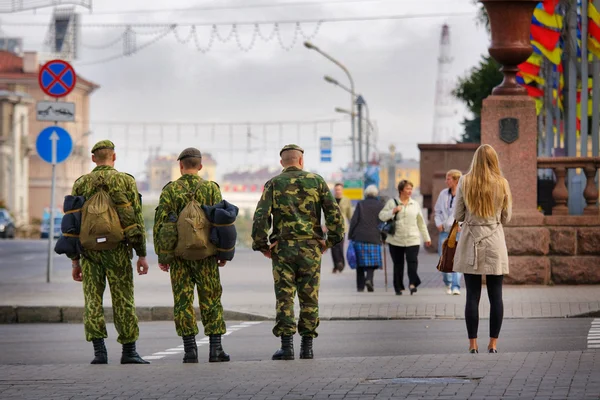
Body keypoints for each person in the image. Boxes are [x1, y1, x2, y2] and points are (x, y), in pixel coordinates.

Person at [251, 144, 344, 360]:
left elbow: (260, 217)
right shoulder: (317, 181)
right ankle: (307, 347)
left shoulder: (273, 183)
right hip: (311, 248)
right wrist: (328, 242)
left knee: (285, 297)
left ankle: (287, 347)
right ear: (301, 161)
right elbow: (335, 216)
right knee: (309, 297)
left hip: (283, 249)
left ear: (282, 162)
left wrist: (263, 246)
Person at [70, 140, 149, 365]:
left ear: (93, 159)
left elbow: (72, 224)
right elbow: (135, 218)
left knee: (92, 299)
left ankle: (99, 353)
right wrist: (141, 254)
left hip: (89, 252)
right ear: (114, 157)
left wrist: (75, 261)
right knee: (123, 298)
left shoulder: (81, 183)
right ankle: (129, 351)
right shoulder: (125, 181)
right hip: (118, 250)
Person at [153, 147, 230, 363]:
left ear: (180, 166)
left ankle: (189, 351)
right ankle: (216, 350)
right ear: (201, 167)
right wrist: (222, 253)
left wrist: (163, 256)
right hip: (207, 256)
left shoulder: (170, 190)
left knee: (182, 301)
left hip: (179, 256)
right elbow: (220, 223)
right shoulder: (210, 189)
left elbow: (161, 225)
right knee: (212, 299)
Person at [453, 144, 512, 354]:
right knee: (496, 296)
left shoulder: (465, 181)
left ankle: (473, 344)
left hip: (471, 240)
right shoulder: (502, 183)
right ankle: (493, 344)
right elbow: (506, 217)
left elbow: (458, 215)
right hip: (494, 239)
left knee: (472, 296)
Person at [378, 180, 431, 295]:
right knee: (398, 264)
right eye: (407, 189)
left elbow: (421, 223)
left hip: (413, 238)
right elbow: (381, 216)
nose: (410, 191)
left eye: (411, 189)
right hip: (396, 239)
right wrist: (393, 211)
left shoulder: (415, 204)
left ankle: (412, 283)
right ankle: (398, 287)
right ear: (401, 190)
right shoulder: (392, 202)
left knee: (412, 262)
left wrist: (427, 238)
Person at [348, 185, 385, 292]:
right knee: (372, 262)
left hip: (360, 236)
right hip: (374, 236)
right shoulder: (380, 205)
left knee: (360, 263)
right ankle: (369, 279)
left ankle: (360, 287)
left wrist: (350, 235)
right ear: (376, 194)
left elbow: (354, 221)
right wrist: (384, 235)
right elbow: (383, 222)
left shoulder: (360, 204)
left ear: (366, 194)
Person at [434, 169, 463, 295]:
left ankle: (456, 286)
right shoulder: (443, 194)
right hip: (445, 231)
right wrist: (438, 223)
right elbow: (437, 211)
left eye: (448, 179)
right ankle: (448, 282)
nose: (446, 181)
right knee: (444, 257)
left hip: (458, 231)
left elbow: (465, 212)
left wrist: (461, 224)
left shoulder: (463, 194)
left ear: (456, 180)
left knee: (458, 258)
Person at [331, 183, 353, 274]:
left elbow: (349, 214)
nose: (338, 191)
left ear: (342, 190)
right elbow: (326, 213)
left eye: (339, 189)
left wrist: (353, 225)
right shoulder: (330, 199)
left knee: (339, 245)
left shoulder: (347, 200)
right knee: (332, 246)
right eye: (336, 189)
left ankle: (341, 263)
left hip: (342, 226)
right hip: (331, 226)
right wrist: (324, 225)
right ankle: (336, 265)